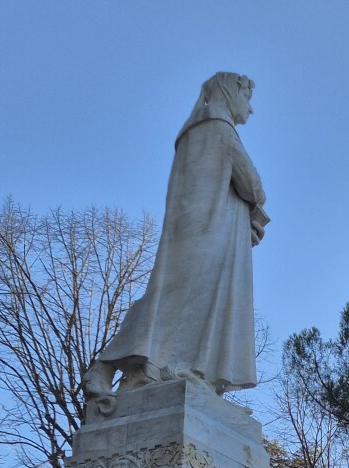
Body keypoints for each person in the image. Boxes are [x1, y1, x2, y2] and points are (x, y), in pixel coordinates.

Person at [90, 71, 267, 403]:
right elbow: (251, 184)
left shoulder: (195, 130)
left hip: (193, 228)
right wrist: (256, 207)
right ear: (231, 93)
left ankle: (149, 369)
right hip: (208, 233)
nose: (251, 110)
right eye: (248, 99)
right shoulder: (219, 128)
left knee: (172, 297)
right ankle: (118, 364)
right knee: (180, 299)